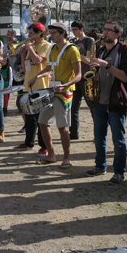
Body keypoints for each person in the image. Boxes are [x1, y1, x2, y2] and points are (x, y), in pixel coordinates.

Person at [86, 20, 127, 184]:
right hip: (100, 100)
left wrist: (106, 65)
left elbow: (126, 77)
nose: (104, 32)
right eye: (103, 29)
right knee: (99, 137)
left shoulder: (124, 49)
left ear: (117, 34)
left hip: (116, 101)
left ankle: (120, 172)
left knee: (118, 139)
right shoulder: (99, 50)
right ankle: (100, 166)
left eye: (108, 30)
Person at [28, 22, 82, 168]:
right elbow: (48, 68)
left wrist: (65, 85)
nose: (50, 35)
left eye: (53, 33)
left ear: (62, 33)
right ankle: (51, 155)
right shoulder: (52, 49)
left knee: (62, 127)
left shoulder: (72, 50)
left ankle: (67, 158)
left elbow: (78, 75)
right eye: (50, 33)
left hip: (64, 93)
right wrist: (36, 77)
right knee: (42, 123)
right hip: (51, 91)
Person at [13, 22, 51, 155]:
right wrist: (23, 54)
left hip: (41, 86)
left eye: (30, 33)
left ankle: (44, 146)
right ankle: (29, 143)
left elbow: (38, 61)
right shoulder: (32, 46)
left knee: (41, 118)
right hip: (29, 86)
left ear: (39, 34)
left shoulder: (46, 45)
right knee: (29, 117)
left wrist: (29, 49)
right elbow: (25, 69)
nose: (28, 36)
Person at [69, 21, 96, 140]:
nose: (73, 32)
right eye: (72, 30)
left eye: (75, 29)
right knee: (73, 107)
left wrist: (75, 54)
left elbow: (89, 60)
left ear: (82, 29)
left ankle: (98, 133)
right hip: (75, 77)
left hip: (86, 78)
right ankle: (73, 133)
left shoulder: (89, 41)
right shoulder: (73, 42)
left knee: (92, 106)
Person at [1, 29, 18, 116]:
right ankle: (5, 109)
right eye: (7, 34)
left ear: (13, 35)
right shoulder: (5, 46)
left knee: (19, 90)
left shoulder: (19, 44)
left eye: (9, 35)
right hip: (9, 70)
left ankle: (20, 108)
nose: (7, 36)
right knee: (7, 91)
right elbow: (4, 58)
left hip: (18, 70)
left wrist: (16, 53)